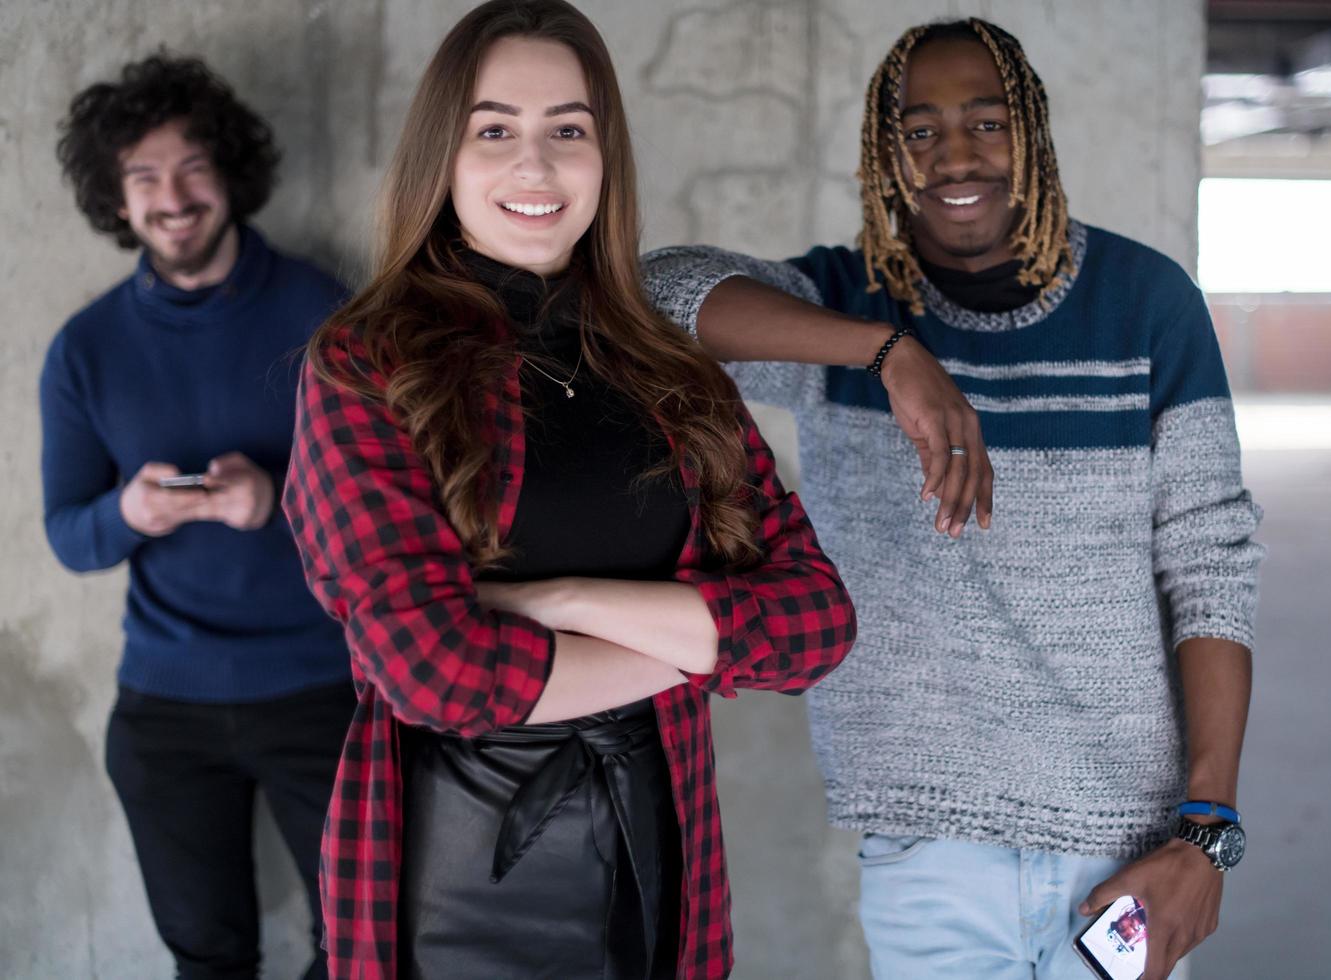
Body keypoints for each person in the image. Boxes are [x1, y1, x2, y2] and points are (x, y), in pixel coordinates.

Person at [643, 17, 1263, 980]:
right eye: (920, 130)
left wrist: (1209, 832)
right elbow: (650, 295)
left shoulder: (1147, 302)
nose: (954, 155)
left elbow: (1212, 571)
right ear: (886, 155)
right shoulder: (839, 306)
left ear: (1033, 133)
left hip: (1130, 854)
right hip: (925, 858)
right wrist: (888, 352)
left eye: (986, 121)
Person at [279, 2, 856, 978]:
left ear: (606, 156)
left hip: (655, 849)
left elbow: (818, 624)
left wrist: (567, 603)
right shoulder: (363, 365)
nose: (534, 167)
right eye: (495, 129)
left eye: (568, 132)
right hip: (454, 872)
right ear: (442, 157)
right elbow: (434, 672)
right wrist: (701, 644)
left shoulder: (674, 376)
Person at [41, 54, 355, 980]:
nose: (172, 199)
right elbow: (67, 535)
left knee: (364, 950)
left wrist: (278, 501)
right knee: (207, 960)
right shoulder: (86, 349)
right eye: (143, 179)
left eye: (190, 168)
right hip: (165, 708)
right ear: (117, 200)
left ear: (229, 174)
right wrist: (129, 513)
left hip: (322, 690)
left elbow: (400, 513)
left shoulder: (327, 314)